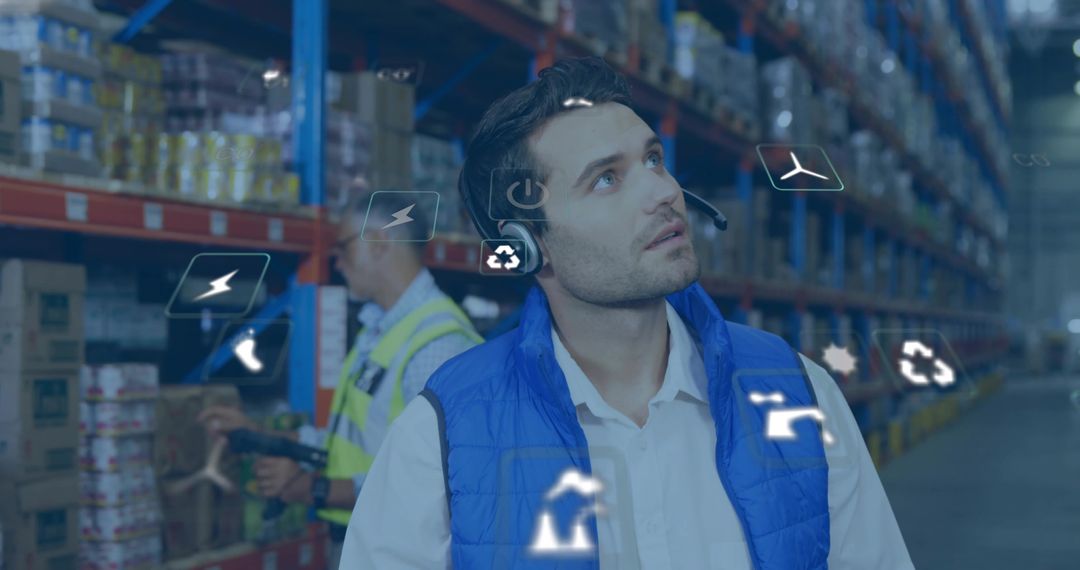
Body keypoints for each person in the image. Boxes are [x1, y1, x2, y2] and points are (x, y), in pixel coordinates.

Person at [341, 57, 913, 569]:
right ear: (527, 246)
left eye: (654, 160)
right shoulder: (441, 435)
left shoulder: (799, 393)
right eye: (607, 179)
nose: (663, 192)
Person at [199, 187, 482, 569]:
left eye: (343, 247)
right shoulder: (379, 331)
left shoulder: (438, 344)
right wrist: (260, 434)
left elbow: (440, 479)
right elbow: (350, 443)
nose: (336, 261)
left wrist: (315, 489)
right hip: (368, 545)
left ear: (378, 243)